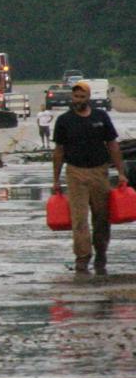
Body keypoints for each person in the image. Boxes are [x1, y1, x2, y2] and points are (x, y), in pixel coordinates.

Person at [52, 81, 127, 274]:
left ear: (89, 98)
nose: (78, 100)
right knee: (79, 219)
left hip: (99, 172)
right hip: (75, 173)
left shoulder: (101, 117)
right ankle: (83, 258)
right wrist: (55, 179)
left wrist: (121, 173)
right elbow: (59, 151)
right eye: (75, 97)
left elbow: (112, 145)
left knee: (101, 218)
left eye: (82, 97)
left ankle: (101, 253)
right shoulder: (64, 121)